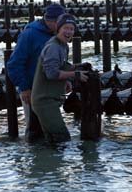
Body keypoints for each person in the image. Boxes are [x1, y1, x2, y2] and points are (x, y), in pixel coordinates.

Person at [7, 3, 66, 142]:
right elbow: (14, 64)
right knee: (34, 129)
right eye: (60, 23)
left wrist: (65, 81)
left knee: (49, 127)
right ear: (50, 20)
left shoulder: (59, 36)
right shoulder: (29, 35)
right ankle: (34, 158)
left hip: (51, 90)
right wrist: (24, 88)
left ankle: (48, 160)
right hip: (31, 90)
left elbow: (59, 62)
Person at [31, 13, 89, 144]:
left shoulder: (63, 46)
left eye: (71, 29)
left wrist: (73, 71)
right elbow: (51, 74)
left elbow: (61, 66)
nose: (69, 32)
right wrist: (75, 75)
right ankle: (56, 163)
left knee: (52, 142)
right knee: (62, 139)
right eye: (66, 28)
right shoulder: (53, 47)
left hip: (50, 100)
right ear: (58, 29)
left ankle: (48, 163)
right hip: (44, 102)